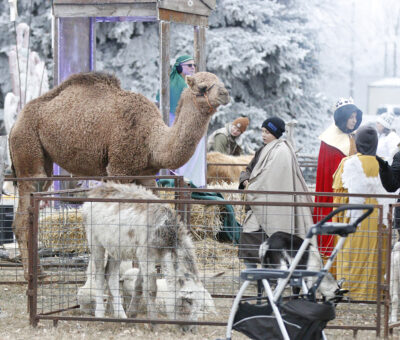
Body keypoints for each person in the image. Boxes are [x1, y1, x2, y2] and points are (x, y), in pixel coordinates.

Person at [238, 117, 313, 267]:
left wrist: (253, 188)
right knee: (249, 237)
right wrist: (246, 181)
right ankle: (251, 274)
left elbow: (272, 178)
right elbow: (249, 170)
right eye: (262, 131)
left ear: (276, 133)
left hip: (272, 207)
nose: (263, 135)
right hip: (259, 204)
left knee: (271, 243)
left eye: (267, 132)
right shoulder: (263, 150)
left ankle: (271, 276)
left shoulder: (282, 151)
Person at [332, 126, 390, 301]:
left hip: (354, 219)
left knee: (351, 254)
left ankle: (350, 291)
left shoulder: (348, 163)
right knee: (375, 255)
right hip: (378, 220)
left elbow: (339, 195)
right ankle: (372, 293)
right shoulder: (382, 164)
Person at [313, 97, 362, 257]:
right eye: (351, 117)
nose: (354, 121)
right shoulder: (332, 140)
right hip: (334, 194)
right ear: (342, 117)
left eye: (356, 117)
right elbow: (337, 173)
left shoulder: (348, 136)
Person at [157, 55, 206, 187]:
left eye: (194, 65)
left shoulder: (189, 84)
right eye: (189, 65)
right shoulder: (176, 84)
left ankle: (190, 182)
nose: (193, 68)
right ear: (179, 67)